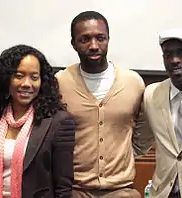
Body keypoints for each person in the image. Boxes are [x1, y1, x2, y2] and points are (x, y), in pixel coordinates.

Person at [55, 11, 154, 198]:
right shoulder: (60, 82)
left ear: (108, 39)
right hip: (75, 190)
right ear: (73, 43)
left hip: (122, 190)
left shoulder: (132, 82)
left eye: (100, 38)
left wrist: (125, 152)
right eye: (85, 39)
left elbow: (146, 127)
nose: (94, 46)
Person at [0, 44, 75, 198]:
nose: (26, 84)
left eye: (34, 77)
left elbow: (63, 185)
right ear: (6, 79)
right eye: (19, 76)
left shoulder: (58, 122)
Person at [143, 28, 182, 198]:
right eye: (167, 55)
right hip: (162, 193)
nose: (174, 60)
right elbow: (141, 141)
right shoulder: (152, 94)